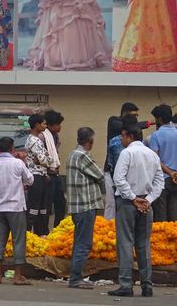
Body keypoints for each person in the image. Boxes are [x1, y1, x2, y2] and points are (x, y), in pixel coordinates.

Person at [108, 124, 163, 298]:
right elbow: (159, 181)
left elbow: (118, 178)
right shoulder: (152, 155)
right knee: (143, 244)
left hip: (127, 203)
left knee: (125, 243)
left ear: (130, 136)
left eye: (123, 136)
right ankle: (147, 285)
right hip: (146, 203)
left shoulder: (127, 153)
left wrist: (132, 198)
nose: (121, 139)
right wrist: (148, 200)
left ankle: (126, 284)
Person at [0, 137, 33, 285]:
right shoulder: (18, 163)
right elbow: (30, 180)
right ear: (12, 149)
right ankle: (17, 276)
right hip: (16, 208)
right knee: (19, 240)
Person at [66, 127, 104, 289]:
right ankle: (75, 278)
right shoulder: (84, 156)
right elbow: (100, 175)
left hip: (76, 206)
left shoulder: (72, 154)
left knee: (79, 242)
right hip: (86, 205)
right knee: (84, 243)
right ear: (90, 141)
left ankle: (74, 276)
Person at [106, 114, 140, 220]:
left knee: (112, 204)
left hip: (116, 178)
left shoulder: (113, 142)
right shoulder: (140, 145)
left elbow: (111, 164)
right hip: (131, 180)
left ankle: (108, 227)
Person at [24, 114, 53, 235]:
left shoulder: (37, 140)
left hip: (41, 175)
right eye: (44, 123)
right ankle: (28, 234)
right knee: (34, 207)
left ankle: (40, 233)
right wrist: (45, 160)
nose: (46, 126)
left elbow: (48, 158)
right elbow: (45, 160)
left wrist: (46, 160)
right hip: (36, 176)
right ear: (37, 125)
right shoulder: (34, 141)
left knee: (42, 207)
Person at [149, 104, 177, 221]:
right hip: (176, 179)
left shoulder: (156, 136)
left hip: (162, 179)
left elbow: (154, 159)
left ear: (159, 119)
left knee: (161, 217)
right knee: (174, 215)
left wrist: (169, 173)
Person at [41, 109, 66, 228]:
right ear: (50, 125)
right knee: (46, 205)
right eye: (57, 125)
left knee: (61, 203)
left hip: (56, 173)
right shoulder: (43, 136)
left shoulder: (55, 137)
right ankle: (44, 230)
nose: (60, 127)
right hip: (47, 174)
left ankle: (58, 228)